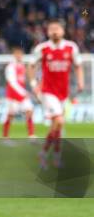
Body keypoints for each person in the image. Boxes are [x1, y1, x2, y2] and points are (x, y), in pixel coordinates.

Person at [29, 20, 83, 168]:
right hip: (48, 92)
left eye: (57, 28)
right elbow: (32, 65)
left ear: (63, 31)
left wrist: (80, 82)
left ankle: (49, 155)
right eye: (51, 29)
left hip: (63, 94)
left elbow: (78, 66)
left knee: (57, 126)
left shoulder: (71, 47)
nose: (54, 31)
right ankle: (50, 155)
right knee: (59, 121)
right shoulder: (43, 48)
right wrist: (34, 84)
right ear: (47, 32)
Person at [2, 46, 35, 141]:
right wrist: (23, 92)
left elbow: (23, 81)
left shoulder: (22, 66)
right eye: (17, 54)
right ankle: (5, 137)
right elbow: (12, 82)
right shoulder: (10, 67)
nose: (19, 56)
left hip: (22, 96)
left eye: (21, 54)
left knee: (29, 111)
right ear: (14, 55)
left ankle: (31, 135)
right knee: (10, 115)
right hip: (12, 96)